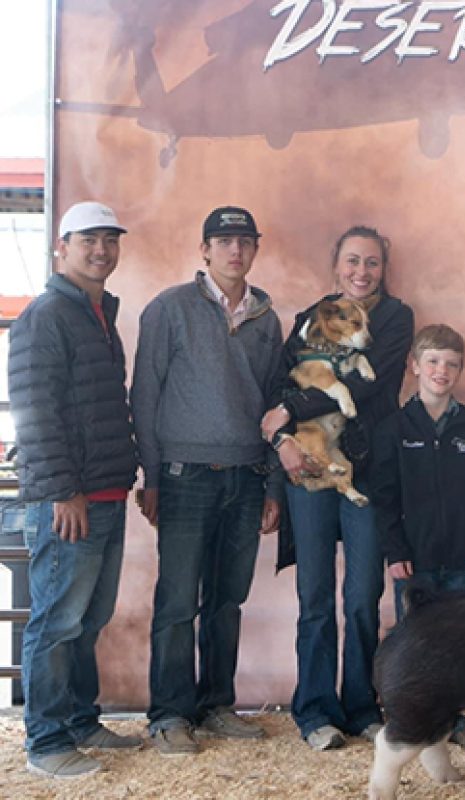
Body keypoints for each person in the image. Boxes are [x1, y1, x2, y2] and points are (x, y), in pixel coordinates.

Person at [130, 206, 284, 756]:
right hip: (183, 475)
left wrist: (271, 487)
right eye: (223, 241)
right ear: (205, 250)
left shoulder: (267, 319)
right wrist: (151, 475)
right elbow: (144, 396)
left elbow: (274, 406)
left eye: (244, 241)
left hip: (246, 475)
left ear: (255, 249)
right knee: (177, 601)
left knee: (227, 600)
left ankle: (216, 705)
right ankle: (169, 715)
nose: (234, 251)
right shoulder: (168, 309)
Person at [259, 226, 414, 751]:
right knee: (316, 596)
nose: (361, 272)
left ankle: (363, 706)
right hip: (310, 469)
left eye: (372, 262)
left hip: (365, 471)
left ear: (383, 269)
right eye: (352, 261)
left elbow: (372, 386)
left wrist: (291, 410)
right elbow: (283, 381)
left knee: (363, 597)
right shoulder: (310, 317)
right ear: (336, 265)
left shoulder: (394, 318)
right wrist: (282, 434)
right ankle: (315, 711)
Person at [10, 202, 142, 778]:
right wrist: (63, 491)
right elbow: (35, 412)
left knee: (87, 621)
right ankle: (44, 742)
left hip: (106, 493)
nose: (101, 250)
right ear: (60, 248)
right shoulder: (46, 315)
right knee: (56, 622)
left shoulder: (97, 313)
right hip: (71, 500)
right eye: (89, 239)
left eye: (110, 240)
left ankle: (79, 722)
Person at [370, 323, 465, 750]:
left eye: (451, 364)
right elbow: (383, 499)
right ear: (415, 366)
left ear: (460, 370)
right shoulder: (393, 429)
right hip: (415, 560)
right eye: (433, 362)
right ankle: (415, 723)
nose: (442, 371)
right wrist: (394, 551)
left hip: (464, 558)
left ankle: (463, 723)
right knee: (417, 645)